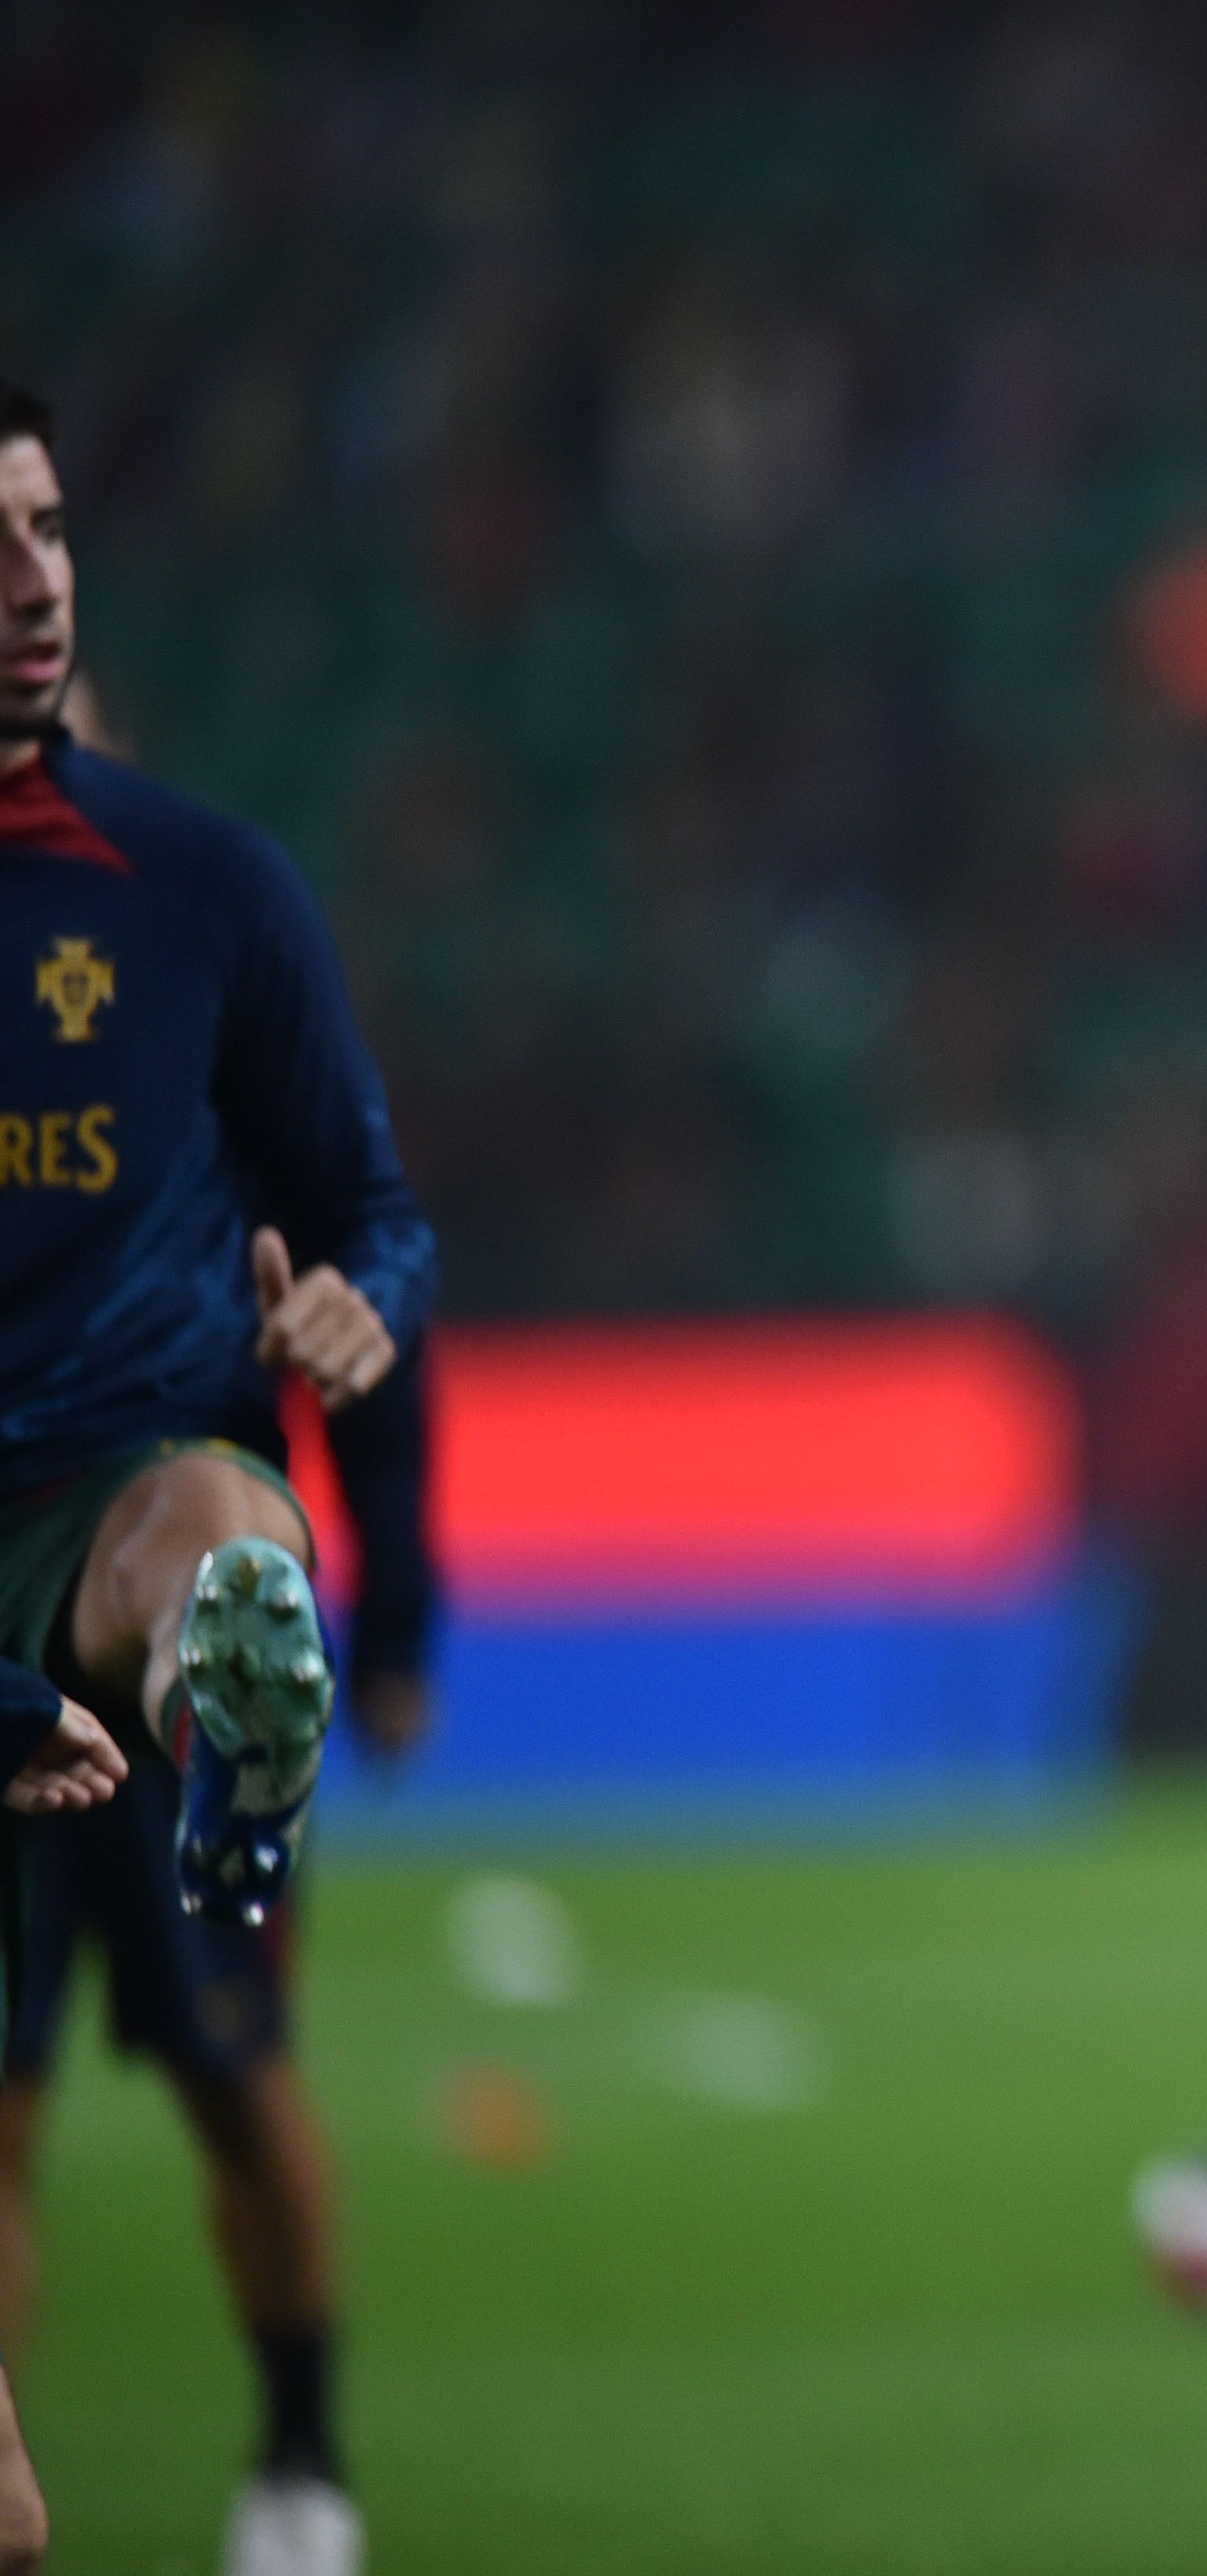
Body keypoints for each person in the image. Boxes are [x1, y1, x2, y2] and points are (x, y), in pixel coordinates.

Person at [0, 381, 434, 2576]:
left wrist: (360, 1316)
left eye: (50, 526)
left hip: (124, 1473)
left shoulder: (200, 895)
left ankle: (298, 2463)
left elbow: (373, 1218)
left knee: (208, 1532)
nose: (32, 582)